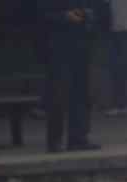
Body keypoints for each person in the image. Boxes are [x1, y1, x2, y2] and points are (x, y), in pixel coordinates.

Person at [38, 0, 106, 153]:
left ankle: (78, 137)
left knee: (81, 93)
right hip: (57, 47)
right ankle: (55, 140)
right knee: (58, 94)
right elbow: (40, 16)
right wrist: (64, 16)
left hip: (81, 45)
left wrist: (87, 14)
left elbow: (97, 9)